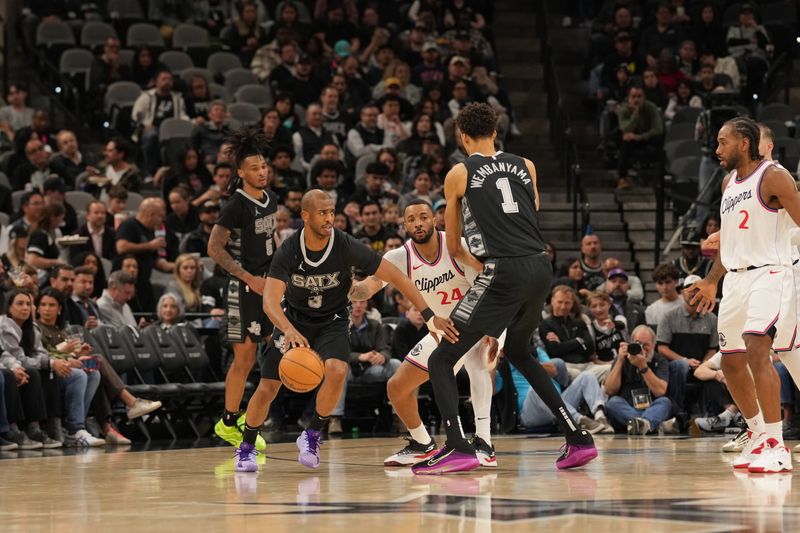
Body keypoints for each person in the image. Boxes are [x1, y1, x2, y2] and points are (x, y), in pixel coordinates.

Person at [411, 103, 596, 475]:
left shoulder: (459, 173)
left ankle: (458, 447)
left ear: (462, 136)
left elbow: (455, 246)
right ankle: (577, 438)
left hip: (504, 269)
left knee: (441, 359)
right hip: (541, 265)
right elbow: (530, 214)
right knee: (520, 351)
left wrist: (486, 270)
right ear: (496, 132)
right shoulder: (526, 165)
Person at [232, 189, 456, 473]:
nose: (329, 218)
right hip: (294, 321)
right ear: (305, 216)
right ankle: (247, 446)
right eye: (322, 213)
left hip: (333, 320)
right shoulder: (289, 250)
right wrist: (287, 330)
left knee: (337, 370)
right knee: (268, 387)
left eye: (331, 212)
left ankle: (312, 433)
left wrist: (429, 314)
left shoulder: (345, 244)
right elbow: (269, 301)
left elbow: (396, 276)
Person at [348, 199, 502, 466]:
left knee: (478, 362)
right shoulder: (397, 258)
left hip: (480, 319)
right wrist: (346, 286)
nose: (418, 223)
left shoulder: (456, 246)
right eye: (412, 219)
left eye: (423, 217)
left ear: (434, 220)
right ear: (404, 224)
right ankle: (423, 443)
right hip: (443, 332)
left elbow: (485, 286)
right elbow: (367, 288)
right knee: (396, 387)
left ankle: (484, 443)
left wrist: (491, 327)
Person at [690, 117, 800, 473]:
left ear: (744, 143)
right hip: (734, 280)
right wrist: (710, 282)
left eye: (723, 142)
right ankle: (755, 434)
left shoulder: (774, 176)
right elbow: (729, 241)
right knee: (732, 361)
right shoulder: (727, 183)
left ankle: (776, 444)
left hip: (769, 272)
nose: (716, 149)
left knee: (757, 346)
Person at [206, 128, 278, 452]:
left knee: (278, 351)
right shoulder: (236, 204)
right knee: (245, 358)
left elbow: (270, 241)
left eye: (263, 166)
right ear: (241, 173)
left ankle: (253, 418)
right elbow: (214, 248)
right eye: (254, 168)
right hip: (242, 288)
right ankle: (229, 421)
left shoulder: (271, 199)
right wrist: (248, 277)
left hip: (268, 287)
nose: (261, 172)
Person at [35, 287, 161, 444]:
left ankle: (88, 427)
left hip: (67, 368)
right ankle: (123, 408)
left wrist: (79, 354)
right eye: (43, 305)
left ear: (59, 308)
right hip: (50, 373)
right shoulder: (36, 328)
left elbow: (67, 356)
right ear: (38, 307)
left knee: (94, 372)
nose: (47, 309)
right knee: (97, 361)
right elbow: (41, 355)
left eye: (51, 305)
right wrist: (68, 353)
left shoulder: (61, 330)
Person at [0, 289, 104, 447]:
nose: (26, 307)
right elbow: (18, 357)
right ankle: (69, 428)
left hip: (30, 368)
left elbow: (42, 354)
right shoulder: (7, 327)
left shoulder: (35, 328)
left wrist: (64, 360)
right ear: (9, 307)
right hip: (17, 368)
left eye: (28, 304)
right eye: (20, 304)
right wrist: (58, 362)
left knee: (93, 372)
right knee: (61, 374)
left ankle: (71, 427)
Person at [604, 325, 675, 435]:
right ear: (631, 342)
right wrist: (620, 360)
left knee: (665, 402)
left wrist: (643, 366)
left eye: (646, 345)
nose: (641, 348)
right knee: (613, 402)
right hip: (627, 408)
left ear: (653, 345)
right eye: (638, 343)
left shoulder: (660, 361)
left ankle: (643, 423)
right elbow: (609, 390)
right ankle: (651, 424)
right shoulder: (623, 359)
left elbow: (660, 391)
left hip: (652, 407)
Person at [116, 198, 176, 313]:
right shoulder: (129, 225)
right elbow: (121, 247)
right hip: (126, 284)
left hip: (144, 283)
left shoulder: (150, 231)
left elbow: (156, 261)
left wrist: (177, 266)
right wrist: (149, 245)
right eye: (159, 216)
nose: (161, 220)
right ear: (150, 214)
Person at [26, 203, 65, 272]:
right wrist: (56, 262)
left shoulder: (46, 234)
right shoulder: (41, 235)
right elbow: (32, 260)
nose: (61, 221)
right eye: (61, 218)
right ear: (53, 217)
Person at [645, 263, 684, 331]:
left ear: (676, 282)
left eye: (668, 282)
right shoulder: (651, 310)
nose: (664, 287)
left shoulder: (688, 303)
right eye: (660, 283)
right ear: (656, 285)